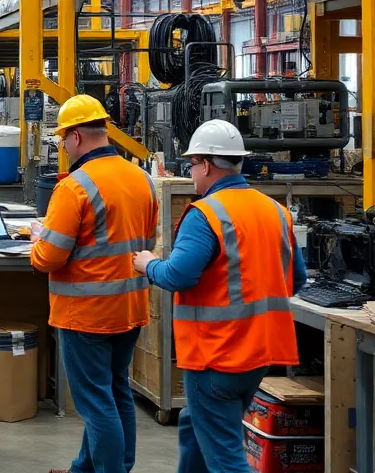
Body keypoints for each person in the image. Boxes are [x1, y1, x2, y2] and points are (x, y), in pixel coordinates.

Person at [133, 120, 305, 473]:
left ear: (207, 165)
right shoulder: (276, 211)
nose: (191, 173)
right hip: (259, 353)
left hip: (216, 355)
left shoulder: (206, 214)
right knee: (195, 427)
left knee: (227, 460)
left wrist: (148, 264)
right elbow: (296, 280)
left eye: (192, 165)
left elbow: (178, 275)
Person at [30, 95, 159, 473]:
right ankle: (91, 468)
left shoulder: (75, 187)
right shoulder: (142, 179)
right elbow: (146, 242)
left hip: (86, 313)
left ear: (75, 137)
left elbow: (49, 258)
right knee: (116, 391)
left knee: (96, 403)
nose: (62, 147)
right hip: (129, 307)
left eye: (62, 139)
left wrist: (38, 241)